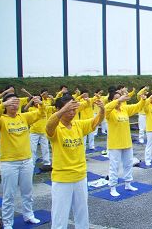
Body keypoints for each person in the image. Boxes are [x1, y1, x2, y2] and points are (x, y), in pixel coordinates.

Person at [46, 94, 104, 228]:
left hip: (80, 176)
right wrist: (62, 111)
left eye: (73, 109)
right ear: (59, 109)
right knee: (60, 216)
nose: (72, 112)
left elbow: (95, 122)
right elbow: (49, 126)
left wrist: (102, 110)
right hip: (62, 179)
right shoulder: (56, 127)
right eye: (68, 109)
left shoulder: (78, 125)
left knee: (82, 213)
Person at [0, 94, 44, 229]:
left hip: (26, 160)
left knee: (27, 191)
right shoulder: (2, 119)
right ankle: (7, 222)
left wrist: (40, 103)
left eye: (16, 102)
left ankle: (28, 215)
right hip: (9, 162)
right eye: (11, 103)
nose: (14, 105)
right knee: (9, 194)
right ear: (5, 105)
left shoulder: (23, 117)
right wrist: (3, 104)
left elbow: (41, 114)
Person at [105, 91, 146, 197]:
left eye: (121, 98)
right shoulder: (110, 111)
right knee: (114, 166)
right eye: (117, 98)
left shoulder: (124, 109)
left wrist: (143, 99)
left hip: (127, 142)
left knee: (128, 164)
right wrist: (118, 100)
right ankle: (112, 187)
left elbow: (137, 107)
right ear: (111, 100)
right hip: (115, 144)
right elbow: (106, 109)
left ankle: (128, 183)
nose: (120, 100)